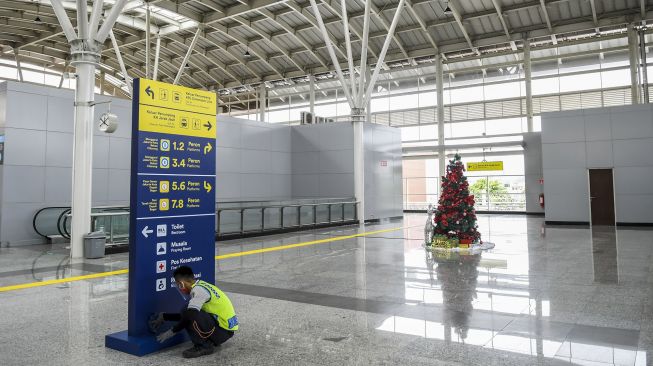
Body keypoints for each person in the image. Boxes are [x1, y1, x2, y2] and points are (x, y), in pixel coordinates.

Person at [148, 266, 239, 358]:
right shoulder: (202, 285)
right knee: (189, 310)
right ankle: (210, 341)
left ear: (182, 283)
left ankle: (204, 346)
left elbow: (189, 315)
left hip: (222, 332)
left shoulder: (198, 291)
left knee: (188, 310)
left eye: (178, 284)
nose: (179, 288)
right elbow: (189, 315)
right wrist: (165, 316)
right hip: (225, 330)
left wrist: (172, 331)